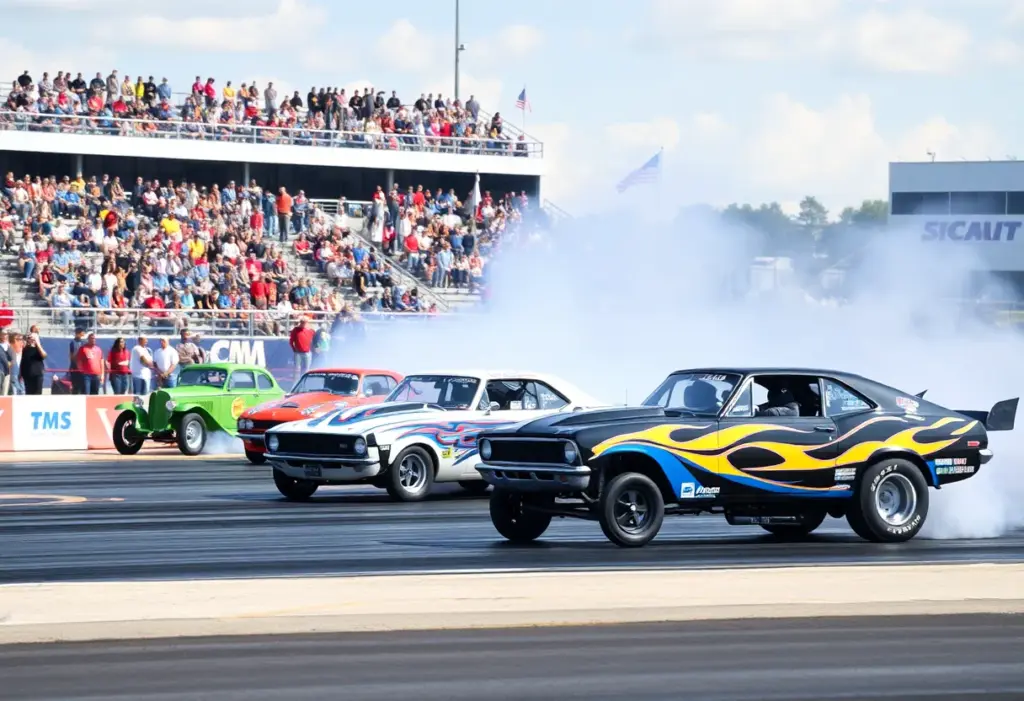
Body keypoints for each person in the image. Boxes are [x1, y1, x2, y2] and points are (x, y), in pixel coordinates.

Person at [68, 328, 86, 394]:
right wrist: (74, 364)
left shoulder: (83, 342)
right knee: (75, 385)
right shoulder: (72, 343)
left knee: (83, 385)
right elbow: (71, 355)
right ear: (78, 333)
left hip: (82, 367)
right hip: (75, 367)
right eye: (82, 332)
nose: (83, 333)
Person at [0, 331, 11, 395]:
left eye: (6, 334)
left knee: (4, 392)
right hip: (1, 369)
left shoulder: (9, 346)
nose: (5, 336)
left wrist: (8, 348)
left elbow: (11, 358)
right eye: (3, 334)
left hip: (7, 371)